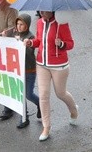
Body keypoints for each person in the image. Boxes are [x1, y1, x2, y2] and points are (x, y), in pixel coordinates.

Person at [23, 11, 78, 141]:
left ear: (52, 10)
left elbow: (71, 43)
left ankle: (73, 110)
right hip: (42, 64)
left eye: (45, 10)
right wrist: (31, 43)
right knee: (43, 96)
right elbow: (39, 41)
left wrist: (62, 44)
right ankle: (46, 127)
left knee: (60, 93)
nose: (42, 12)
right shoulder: (40, 22)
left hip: (59, 65)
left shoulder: (61, 24)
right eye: (40, 10)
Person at [1, 14, 41, 129]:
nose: (19, 26)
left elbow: (29, 53)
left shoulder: (31, 36)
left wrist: (22, 44)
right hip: (16, 69)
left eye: (22, 24)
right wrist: (4, 36)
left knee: (28, 94)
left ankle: (40, 104)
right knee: (20, 94)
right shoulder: (13, 33)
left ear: (27, 25)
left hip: (29, 69)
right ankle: (24, 117)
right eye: (17, 24)